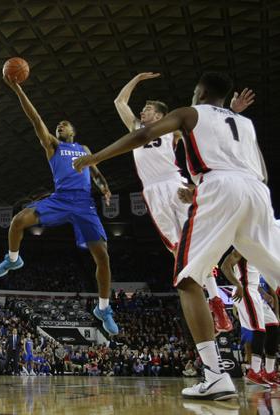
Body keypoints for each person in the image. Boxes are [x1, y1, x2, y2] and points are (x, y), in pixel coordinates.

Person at [74, 72, 280, 400]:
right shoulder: (244, 124)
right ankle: (216, 303)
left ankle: (215, 371)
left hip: (196, 185)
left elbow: (150, 137)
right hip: (255, 190)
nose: (143, 113)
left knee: (185, 275)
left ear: (199, 93)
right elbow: (259, 170)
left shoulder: (186, 114)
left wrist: (95, 158)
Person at [113, 73, 253, 334]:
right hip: (153, 194)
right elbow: (120, 102)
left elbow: (207, 126)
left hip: (175, 185)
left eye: (147, 109)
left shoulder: (171, 128)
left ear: (159, 115)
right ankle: (214, 304)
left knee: (194, 246)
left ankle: (217, 305)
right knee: (178, 252)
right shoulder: (135, 129)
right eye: (142, 108)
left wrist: (231, 111)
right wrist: (136, 79)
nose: (142, 111)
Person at [0, 75, 118, 335]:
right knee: (18, 221)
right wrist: (17, 89)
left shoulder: (83, 148)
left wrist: (104, 188)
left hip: (83, 203)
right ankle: (13, 259)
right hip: (60, 199)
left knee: (102, 256)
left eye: (65, 124)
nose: (60, 126)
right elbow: (35, 119)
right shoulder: (53, 145)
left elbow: (95, 172)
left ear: (73, 131)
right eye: (58, 125)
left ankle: (103, 308)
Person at [221, 249, 280, 387]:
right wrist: (237, 284)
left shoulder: (257, 250)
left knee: (274, 326)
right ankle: (254, 371)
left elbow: (252, 276)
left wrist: (263, 293)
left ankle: (269, 372)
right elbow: (225, 266)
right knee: (259, 330)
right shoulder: (242, 247)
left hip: (254, 291)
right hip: (245, 291)